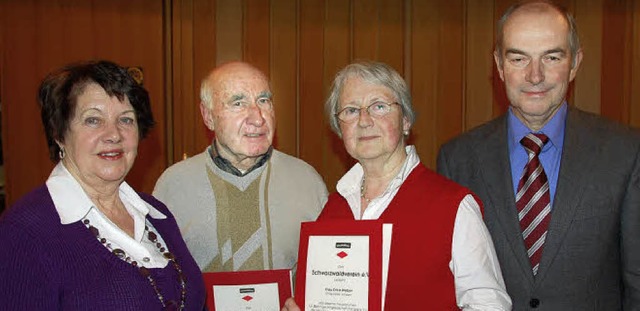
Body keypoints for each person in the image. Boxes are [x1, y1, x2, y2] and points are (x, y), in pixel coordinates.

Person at [437, 1, 640, 310]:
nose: (535, 75)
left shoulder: (626, 152)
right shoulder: (457, 159)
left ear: (575, 63)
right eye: (518, 58)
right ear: (499, 66)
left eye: (552, 57)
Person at [283, 61, 511, 310]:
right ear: (339, 129)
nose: (364, 120)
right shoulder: (331, 210)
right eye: (350, 110)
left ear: (405, 121)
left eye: (379, 106)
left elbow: (489, 305)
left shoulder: (455, 207)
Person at [0, 60, 205, 310]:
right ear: (59, 134)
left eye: (126, 120)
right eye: (93, 120)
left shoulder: (157, 214)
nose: (114, 134)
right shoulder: (25, 233)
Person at [153, 61, 328, 273]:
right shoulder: (173, 185)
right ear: (208, 116)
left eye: (264, 101)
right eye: (238, 103)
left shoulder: (306, 180)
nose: (258, 118)